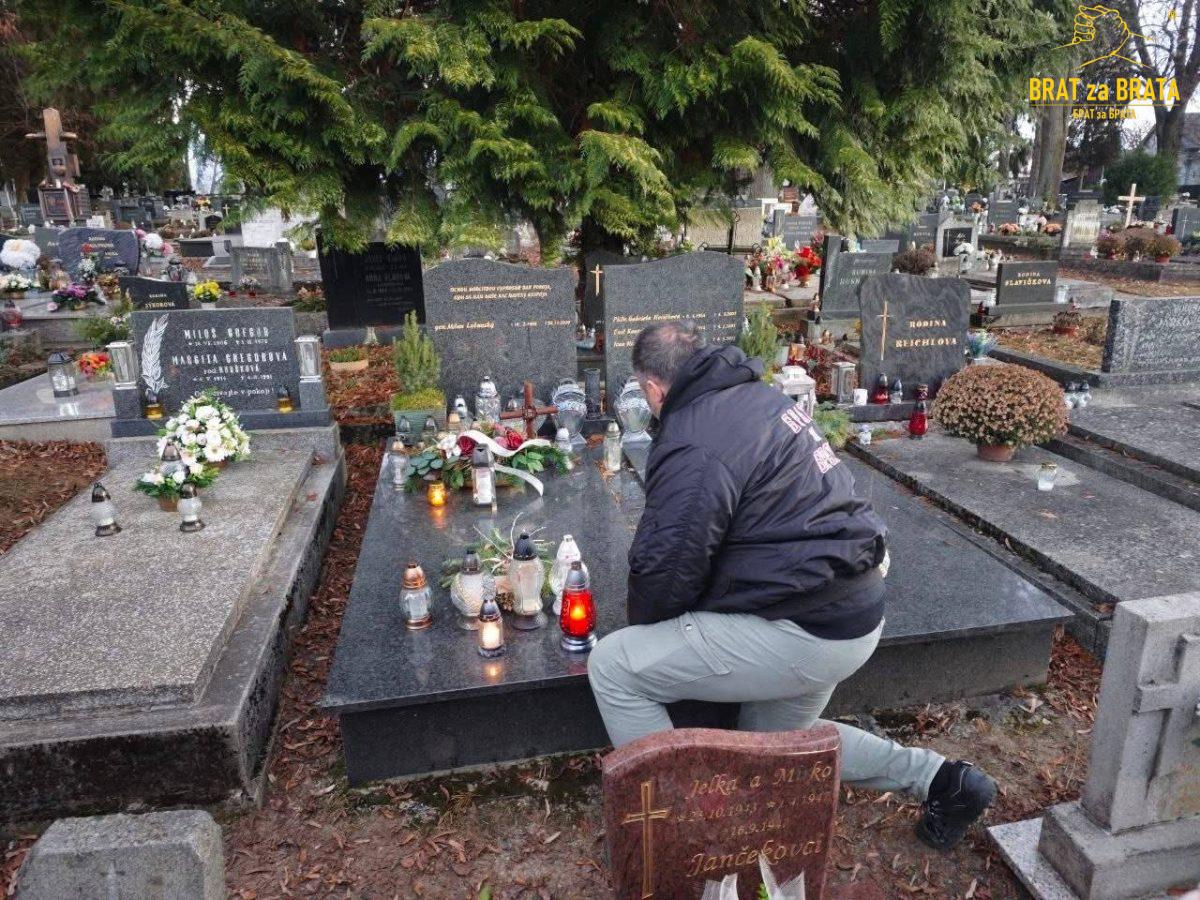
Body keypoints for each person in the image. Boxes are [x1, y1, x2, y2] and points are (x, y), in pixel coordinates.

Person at [587, 322, 996, 850]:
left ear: (653, 388)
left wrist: (650, 637)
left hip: (803, 626)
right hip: (854, 608)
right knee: (774, 745)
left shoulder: (693, 436)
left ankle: (687, 830)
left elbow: (667, 568)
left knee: (615, 667)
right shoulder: (759, 398)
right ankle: (943, 781)